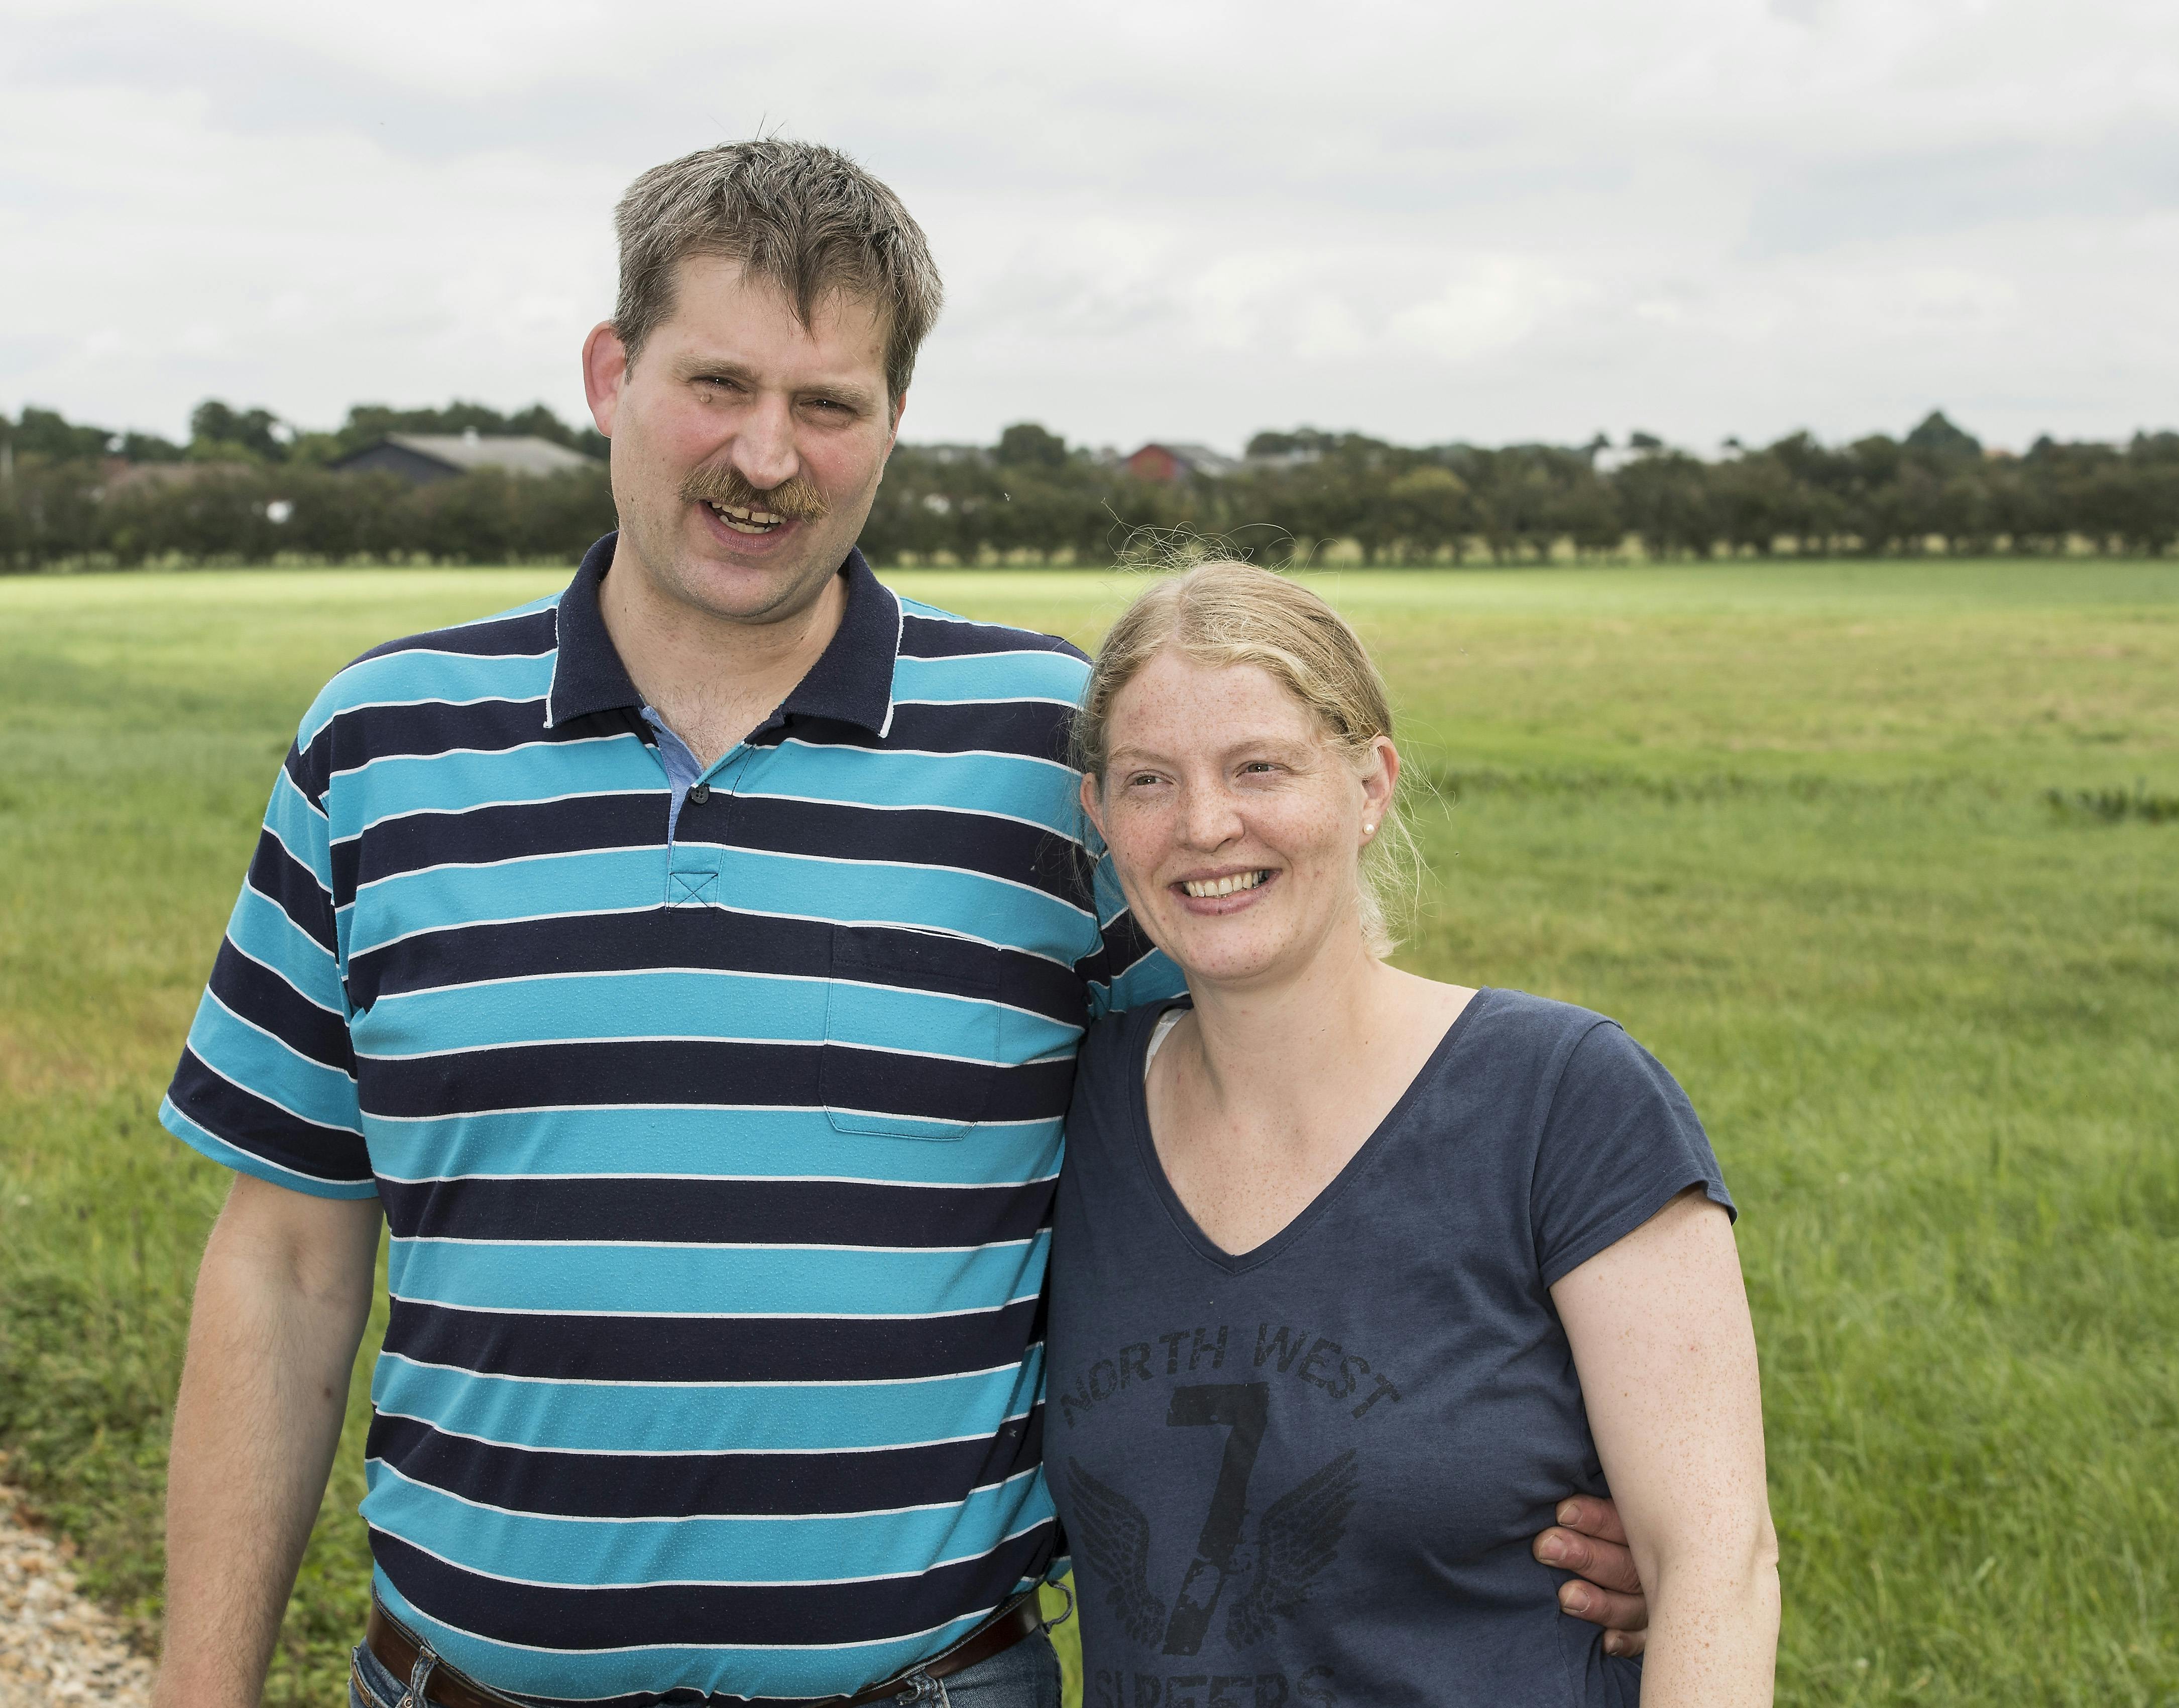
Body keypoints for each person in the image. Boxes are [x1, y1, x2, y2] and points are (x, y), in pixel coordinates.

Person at [148, 143, 1649, 1708]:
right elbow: (286, 1266)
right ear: (609, 372)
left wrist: (1505, 1478)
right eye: (717, 382)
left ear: (893, 423)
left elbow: (1284, 1120)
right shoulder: (382, 748)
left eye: (828, 404)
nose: (766, 455)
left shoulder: (1044, 750)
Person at [1051, 563, 1780, 1706]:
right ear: (1100, 816)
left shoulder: (1566, 1101)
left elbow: (1715, 1569)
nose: (1203, 825)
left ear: (1370, 782)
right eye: (1149, 780)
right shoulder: (1072, 1110)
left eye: (1260, 768)